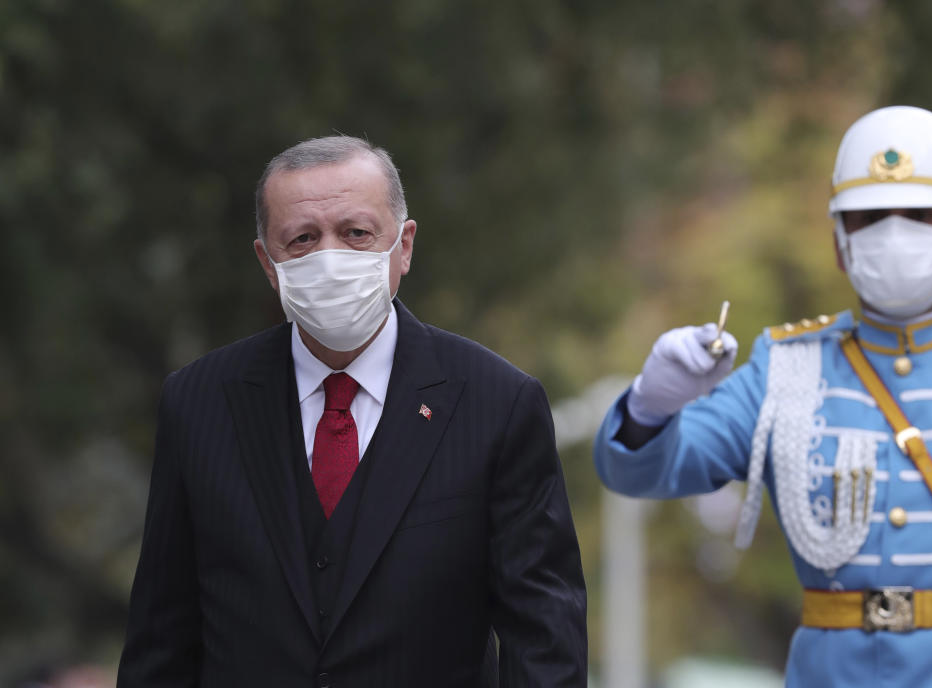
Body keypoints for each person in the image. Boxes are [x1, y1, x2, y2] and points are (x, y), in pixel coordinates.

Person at [118, 136, 587, 687]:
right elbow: (162, 635)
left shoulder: (497, 403)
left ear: (404, 245)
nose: (331, 258)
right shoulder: (199, 402)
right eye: (303, 239)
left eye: (356, 233)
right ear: (268, 262)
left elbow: (545, 638)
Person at [594, 105, 932, 687]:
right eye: (869, 216)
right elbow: (639, 474)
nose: (894, 231)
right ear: (840, 241)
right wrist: (651, 406)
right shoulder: (787, 367)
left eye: (920, 213)